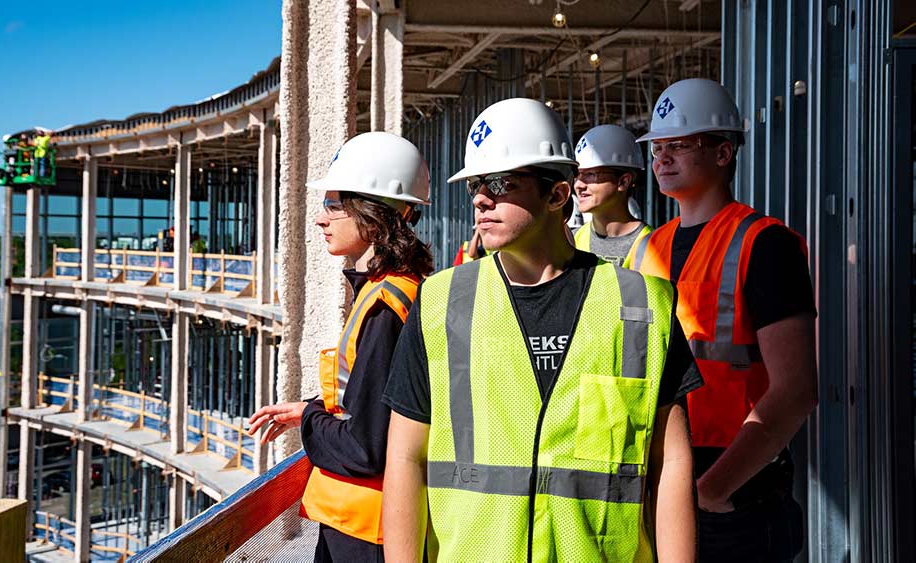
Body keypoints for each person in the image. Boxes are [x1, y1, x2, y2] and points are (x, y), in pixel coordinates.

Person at [381, 98, 702, 562]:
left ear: (557, 195)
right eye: (474, 184)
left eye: (500, 183)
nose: (480, 198)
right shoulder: (441, 303)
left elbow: (670, 462)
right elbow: (406, 458)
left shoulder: (641, 305)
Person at [628, 78, 818, 562]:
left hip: (734, 497)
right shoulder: (648, 249)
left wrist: (712, 490)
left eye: (679, 145)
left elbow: (796, 390)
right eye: (657, 148)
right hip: (661, 480)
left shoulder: (765, 244)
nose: (662, 158)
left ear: (723, 152)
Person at [246, 132, 433, 562]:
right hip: (374, 524)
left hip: (367, 530)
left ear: (374, 214)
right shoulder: (402, 290)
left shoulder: (385, 307)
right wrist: (311, 408)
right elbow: (373, 404)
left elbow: (366, 447)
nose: (320, 219)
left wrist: (311, 419)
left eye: (333, 205)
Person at [572, 124, 651, 267]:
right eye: (577, 175)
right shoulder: (572, 240)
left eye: (590, 174)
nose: (578, 184)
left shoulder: (653, 245)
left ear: (623, 181)